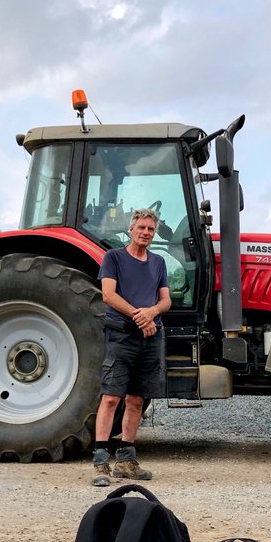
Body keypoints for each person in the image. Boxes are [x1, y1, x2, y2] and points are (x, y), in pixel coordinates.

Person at [91, 208, 171, 487]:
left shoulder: (158, 262)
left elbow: (165, 300)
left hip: (150, 337)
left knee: (137, 399)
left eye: (150, 229)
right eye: (141, 227)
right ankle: (101, 462)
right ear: (131, 229)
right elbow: (108, 294)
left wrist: (152, 313)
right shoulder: (114, 258)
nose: (146, 232)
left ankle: (126, 460)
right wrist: (140, 316)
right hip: (122, 335)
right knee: (111, 398)